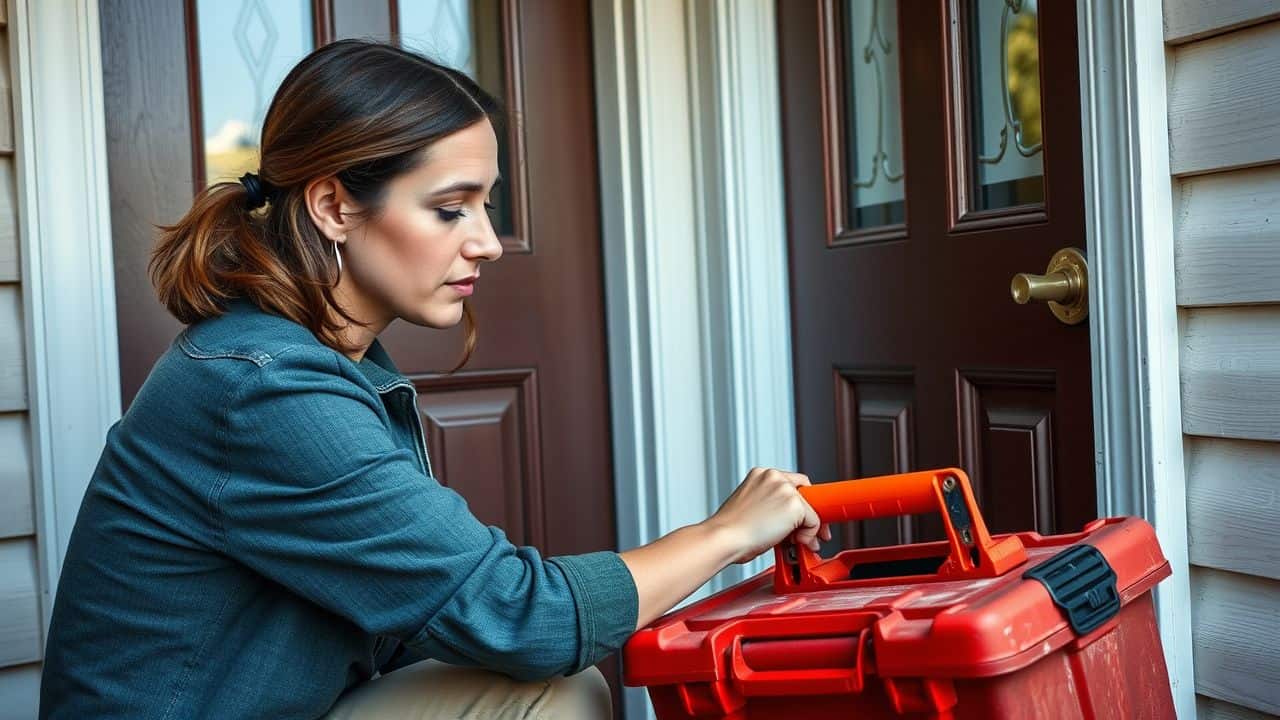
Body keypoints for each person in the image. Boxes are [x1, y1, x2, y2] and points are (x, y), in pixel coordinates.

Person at [38, 39, 828, 719]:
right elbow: (523, 617)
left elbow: (442, 613)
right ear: (333, 206)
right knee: (550, 688)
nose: (486, 241)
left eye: (487, 205)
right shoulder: (263, 389)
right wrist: (726, 534)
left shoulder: (315, 364)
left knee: (547, 689)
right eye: (452, 208)